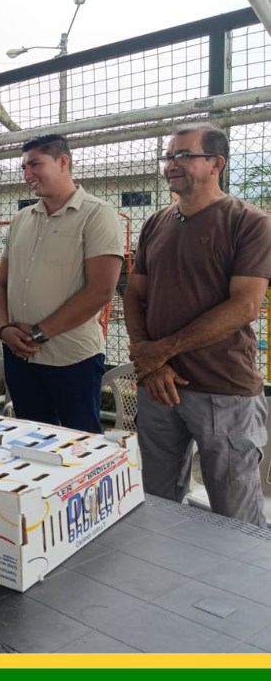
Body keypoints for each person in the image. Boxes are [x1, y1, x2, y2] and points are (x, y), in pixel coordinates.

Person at [124, 123, 271, 527]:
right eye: (169, 156)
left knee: (236, 518)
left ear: (216, 164)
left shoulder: (249, 222)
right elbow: (134, 294)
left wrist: (160, 351)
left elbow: (245, 305)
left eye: (184, 156)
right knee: (156, 504)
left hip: (223, 391)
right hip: (158, 388)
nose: (172, 164)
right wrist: (153, 364)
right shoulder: (156, 222)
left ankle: (241, 574)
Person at [0, 134, 123, 434]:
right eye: (24, 167)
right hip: (20, 356)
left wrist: (39, 333)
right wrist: (3, 329)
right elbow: (0, 285)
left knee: (80, 443)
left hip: (71, 358)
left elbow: (101, 290)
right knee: (31, 439)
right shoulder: (22, 219)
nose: (27, 174)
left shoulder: (97, 214)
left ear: (63, 162)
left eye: (35, 164)